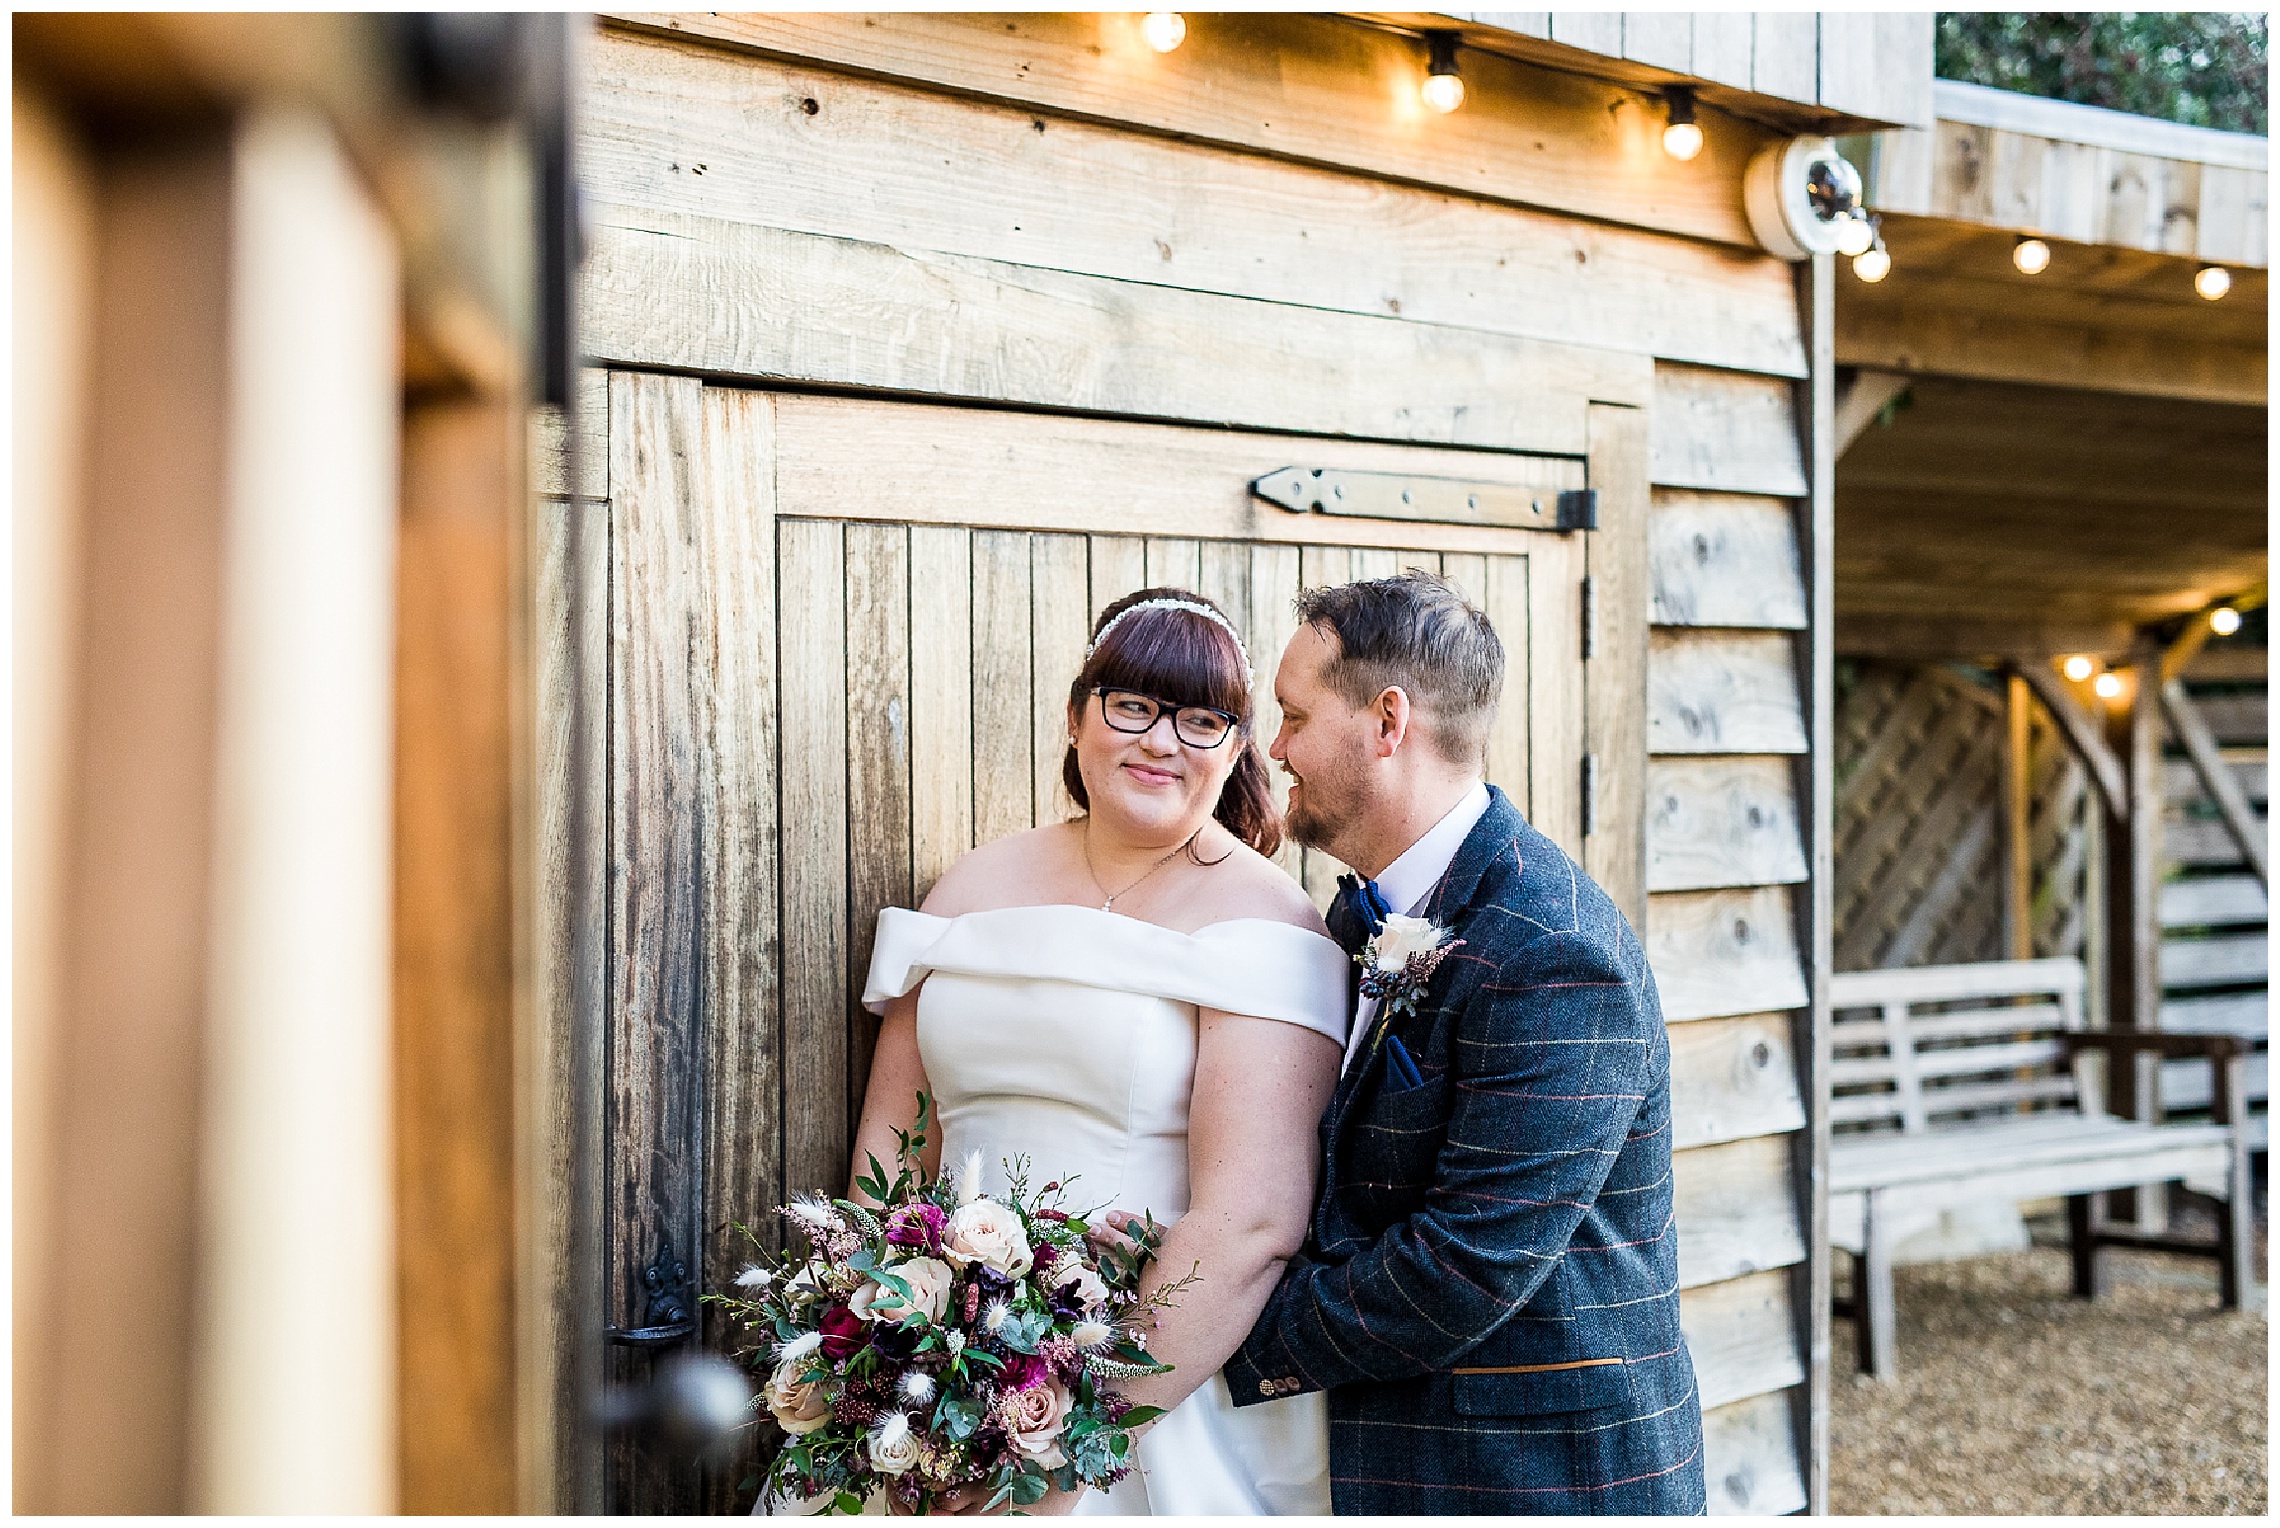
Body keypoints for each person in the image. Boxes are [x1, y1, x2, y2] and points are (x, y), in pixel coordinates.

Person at [846, 588, 1345, 1515]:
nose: (1162, 742)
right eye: (1132, 707)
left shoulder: (1268, 925)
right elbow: (891, 1140)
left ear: (1236, 748)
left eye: (1202, 720)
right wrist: (875, 1335)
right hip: (938, 1358)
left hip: (1141, 1369)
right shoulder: (971, 886)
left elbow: (1252, 1223)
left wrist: (1069, 1444)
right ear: (1077, 717)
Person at [1216, 570, 1706, 1514]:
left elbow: (1467, 1266)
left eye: (1294, 717)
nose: (1274, 750)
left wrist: (1213, 1325)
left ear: (1387, 723)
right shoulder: (1369, 916)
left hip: (1534, 1478)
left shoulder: (1551, 950)